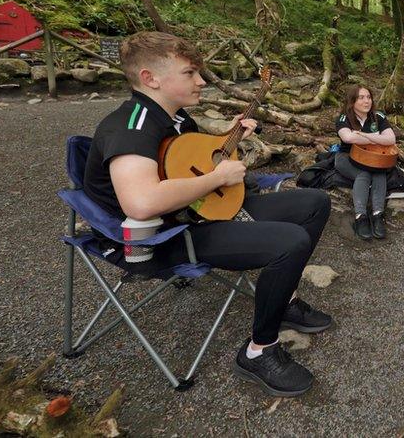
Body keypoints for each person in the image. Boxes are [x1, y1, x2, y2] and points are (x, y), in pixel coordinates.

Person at [84, 31, 333, 397]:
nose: (201, 81)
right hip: (160, 239)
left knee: (314, 202)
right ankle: (258, 351)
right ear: (150, 79)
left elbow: (191, 166)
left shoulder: (178, 119)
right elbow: (141, 203)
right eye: (189, 73)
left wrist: (229, 143)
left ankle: (284, 300)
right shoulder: (131, 127)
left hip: (198, 213)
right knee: (290, 242)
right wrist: (218, 177)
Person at [334, 85, 396, 240]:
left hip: (373, 157)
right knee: (364, 174)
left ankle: (377, 215)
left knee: (379, 170)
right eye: (361, 97)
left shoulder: (378, 116)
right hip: (346, 157)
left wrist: (364, 135)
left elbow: (391, 139)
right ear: (352, 101)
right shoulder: (344, 118)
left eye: (368, 97)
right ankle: (360, 216)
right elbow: (347, 138)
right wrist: (377, 137)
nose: (366, 101)